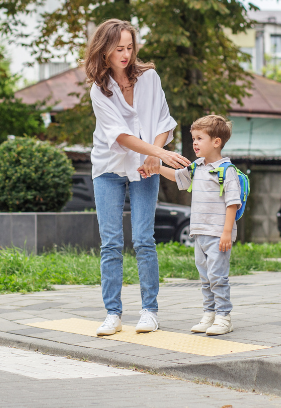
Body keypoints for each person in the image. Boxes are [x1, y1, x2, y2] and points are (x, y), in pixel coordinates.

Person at [85, 19, 191, 336]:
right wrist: (160, 155)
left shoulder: (149, 78)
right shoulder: (99, 90)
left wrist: (152, 155)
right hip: (108, 168)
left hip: (146, 167)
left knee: (144, 240)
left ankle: (149, 311)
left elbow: (163, 121)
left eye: (130, 47)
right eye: (119, 48)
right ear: (104, 50)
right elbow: (119, 137)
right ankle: (112, 314)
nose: (126, 54)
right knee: (111, 243)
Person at [154, 115, 241, 336]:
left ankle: (224, 317)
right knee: (205, 278)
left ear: (216, 142)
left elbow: (232, 203)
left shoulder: (226, 170)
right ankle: (209, 314)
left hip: (218, 233)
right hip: (200, 233)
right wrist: (156, 169)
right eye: (193, 138)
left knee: (218, 277)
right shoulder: (197, 167)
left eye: (199, 138)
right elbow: (177, 177)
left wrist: (227, 233)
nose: (194, 143)